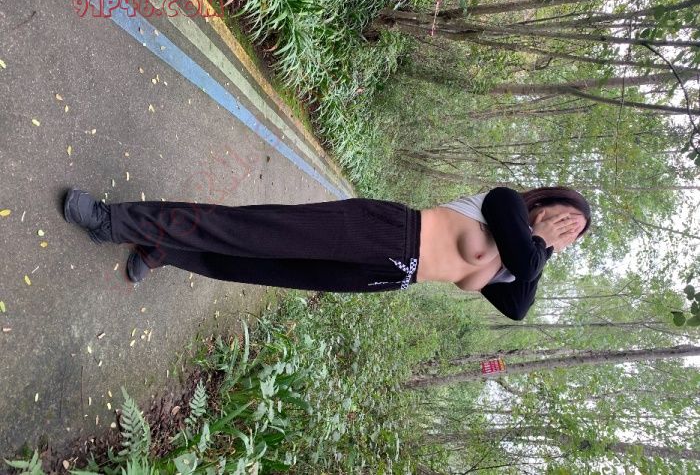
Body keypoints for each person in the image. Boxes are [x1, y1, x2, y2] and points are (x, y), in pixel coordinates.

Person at [62, 185, 590, 319]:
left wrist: (546, 247)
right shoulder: (504, 205)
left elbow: (518, 307)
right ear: (547, 203)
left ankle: (164, 249)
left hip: (386, 276)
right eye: (567, 217)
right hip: (386, 232)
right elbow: (525, 257)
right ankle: (112, 221)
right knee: (246, 230)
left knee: (253, 266)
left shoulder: (518, 267)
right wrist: (543, 238)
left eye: (574, 233)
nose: (565, 230)